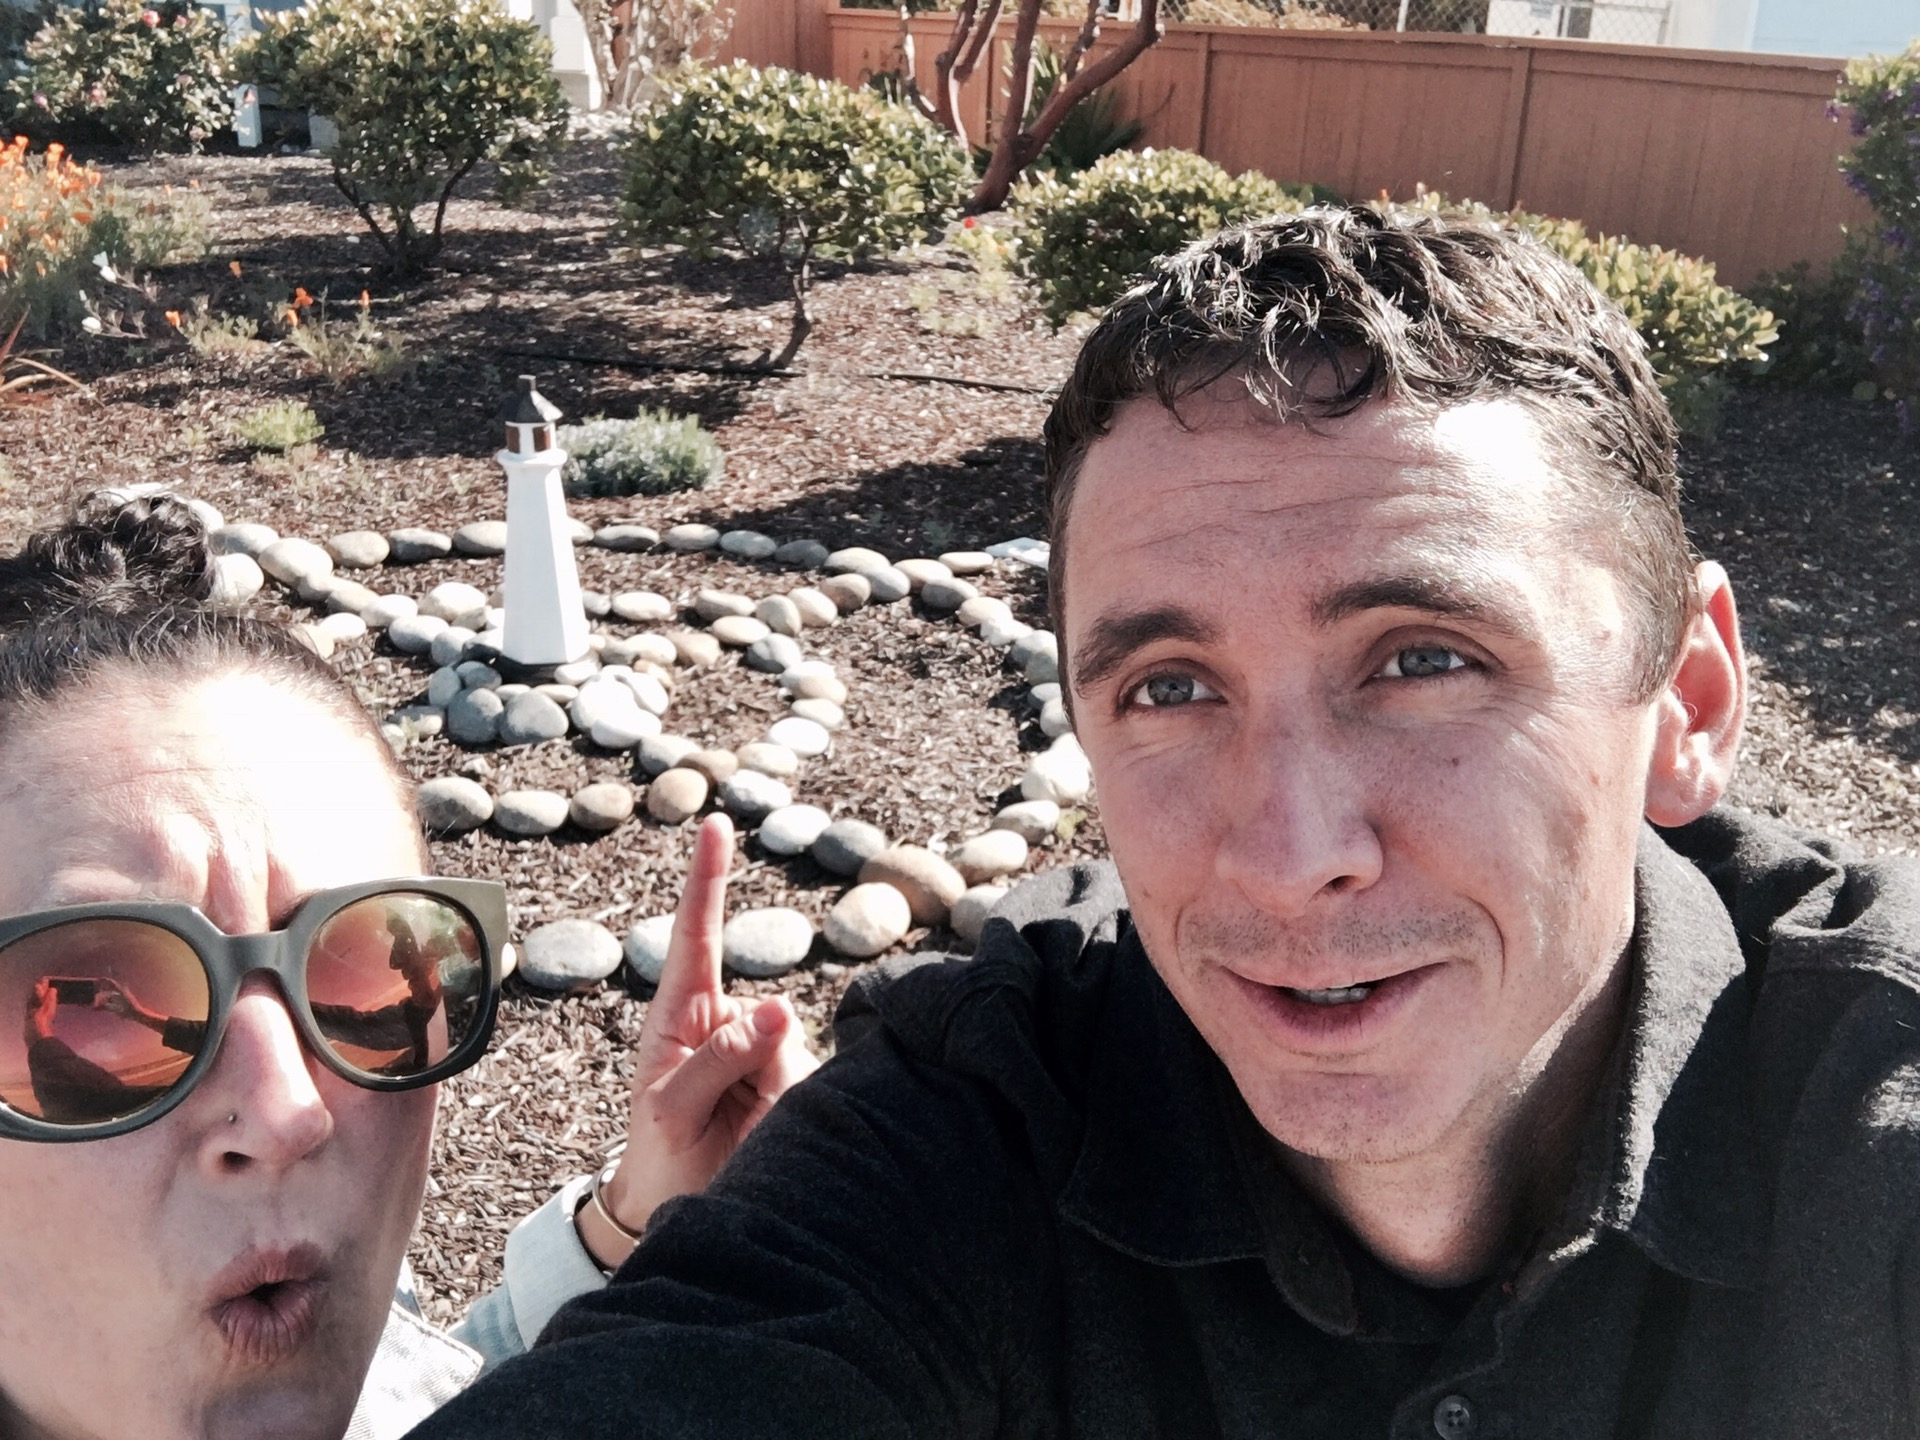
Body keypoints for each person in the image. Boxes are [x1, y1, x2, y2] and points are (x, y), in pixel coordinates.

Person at [412, 204, 1920, 1440]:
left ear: (1690, 703)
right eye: (1171, 688)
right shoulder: (980, 1121)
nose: (1290, 853)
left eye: (1423, 661)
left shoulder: (1875, 1129)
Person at [0, 494, 814, 1440]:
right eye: (96, 1012)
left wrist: (636, 1221)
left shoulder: (305, 1300)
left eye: (363, 973)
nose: (289, 1113)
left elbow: (428, 1398)